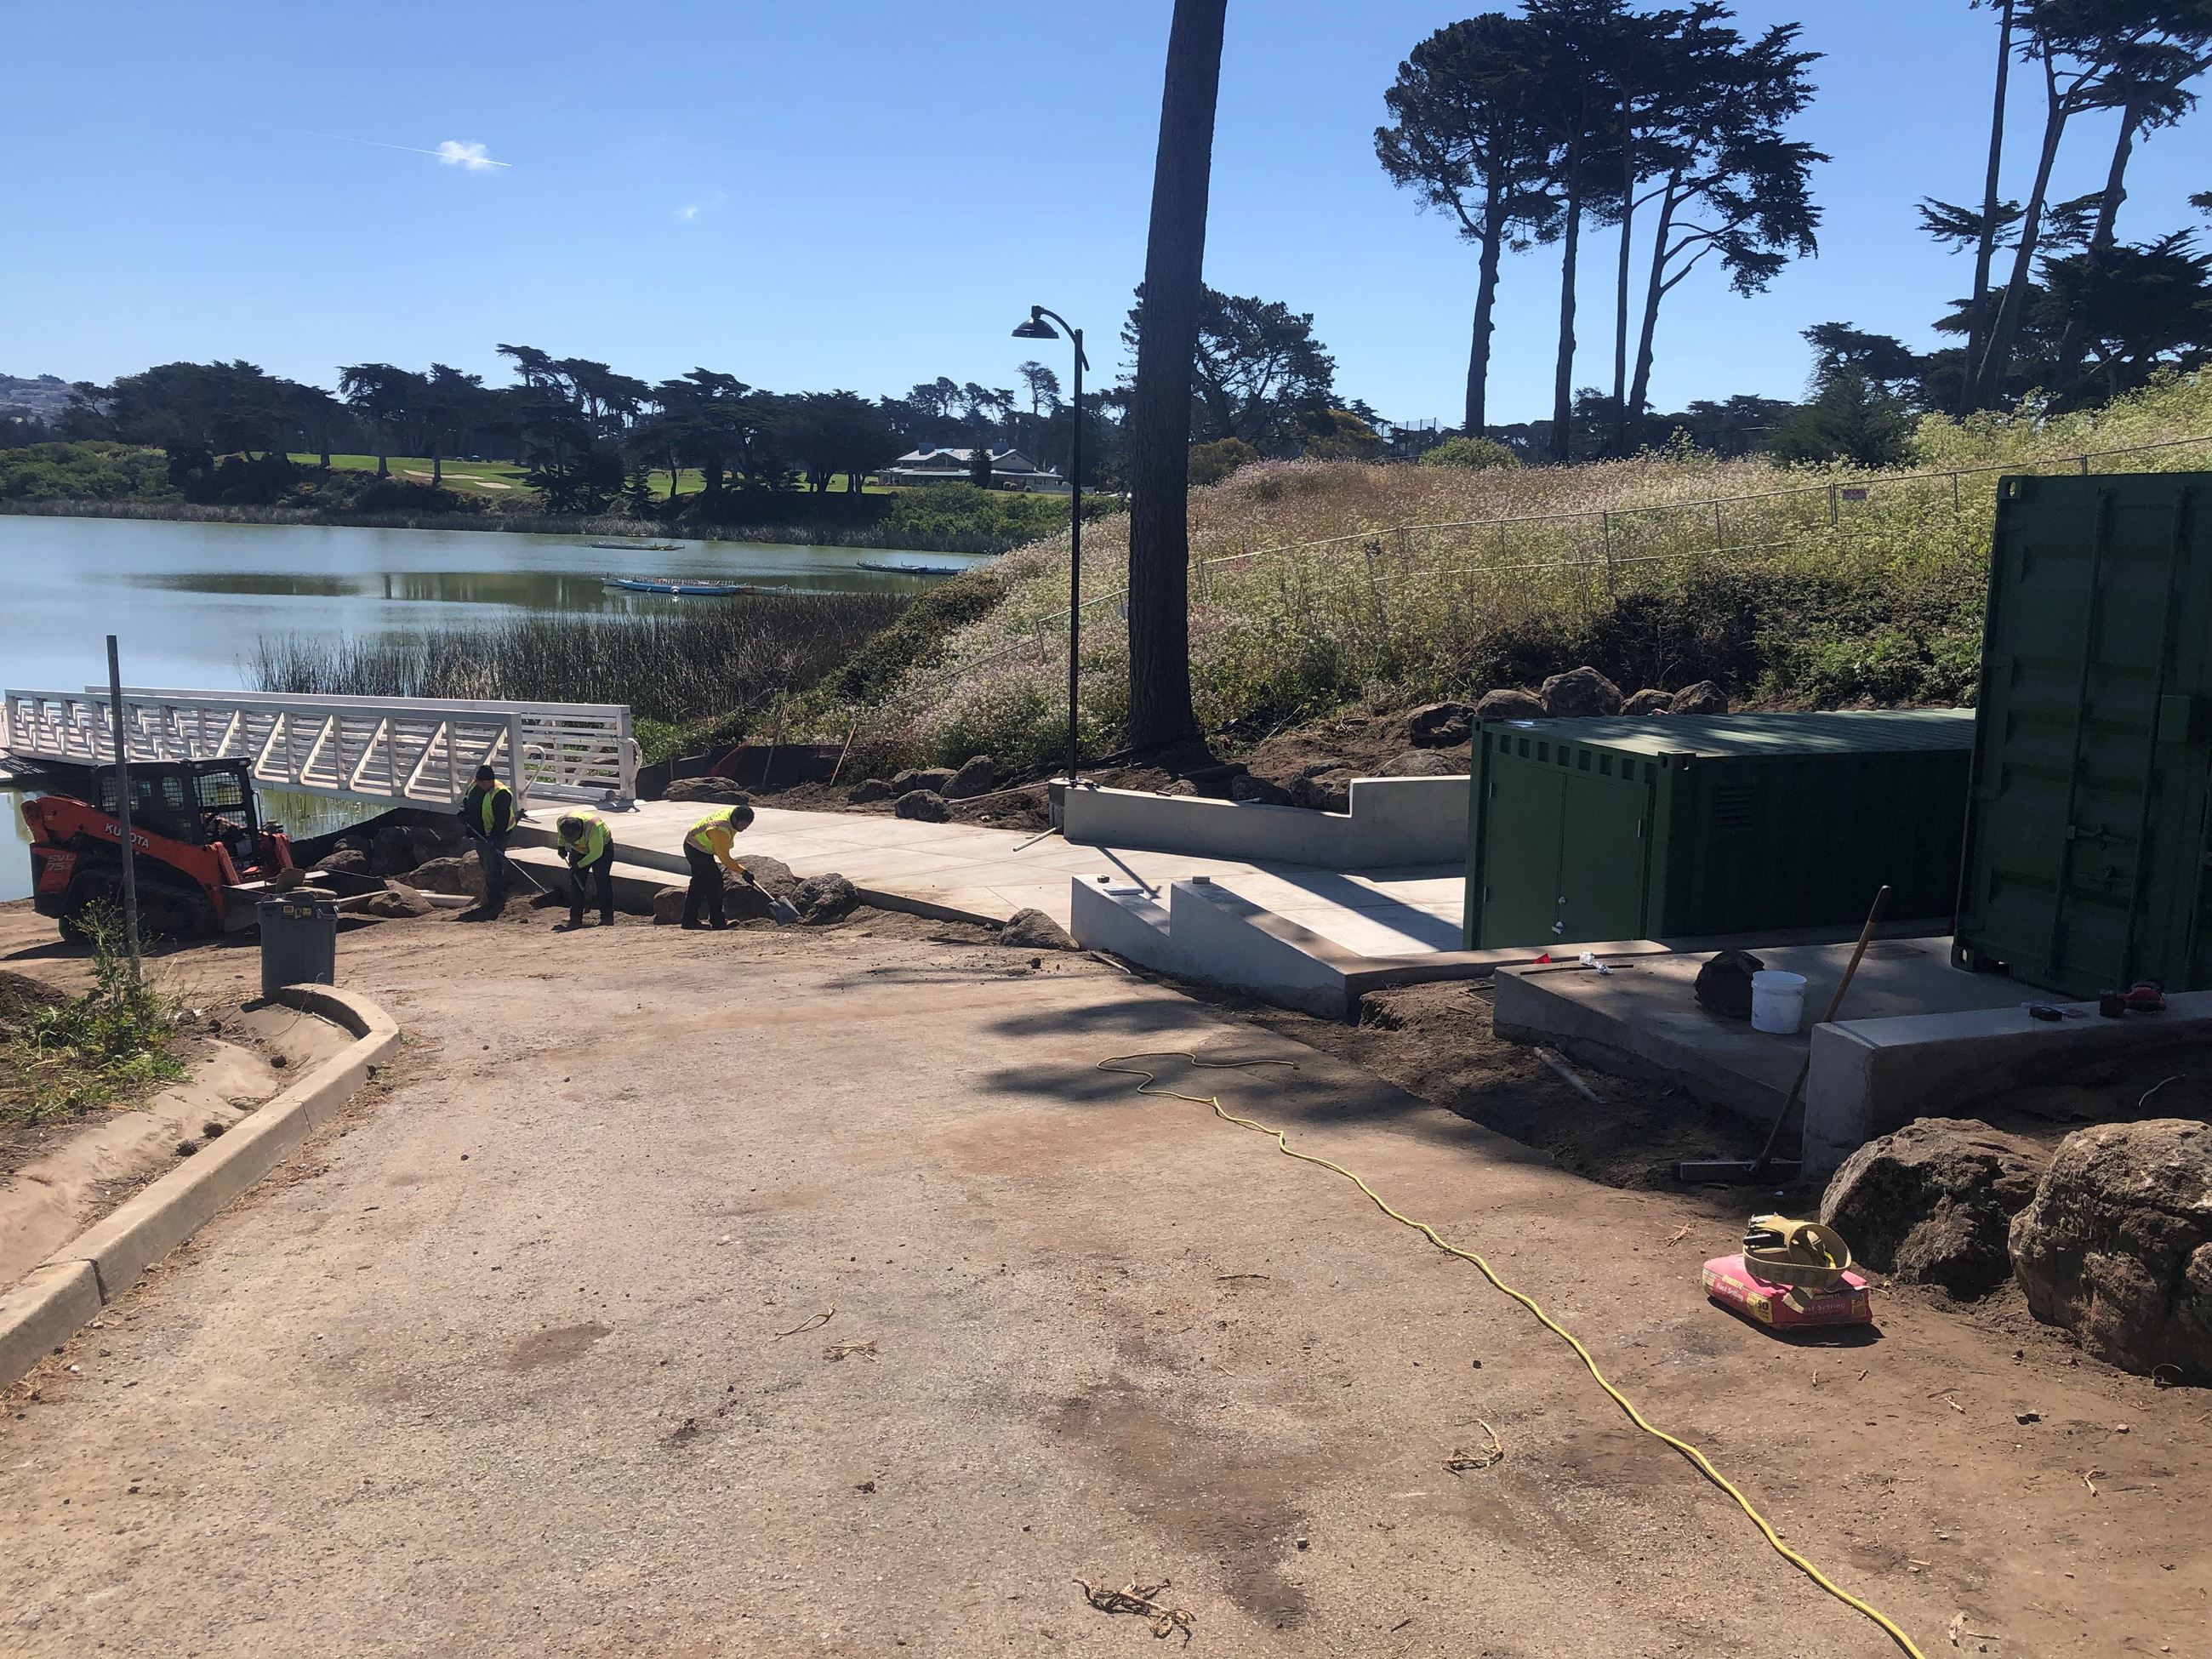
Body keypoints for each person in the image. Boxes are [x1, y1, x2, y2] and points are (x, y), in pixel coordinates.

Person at [682, 803, 755, 929]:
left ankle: (689, 920)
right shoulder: (720, 830)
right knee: (714, 882)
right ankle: (718, 921)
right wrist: (743, 872)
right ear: (736, 819)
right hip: (696, 849)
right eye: (743, 825)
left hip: (697, 845)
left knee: (698, 884)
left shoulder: (730, 815)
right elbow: (724, 858)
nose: (744, 829)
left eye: (747, 826)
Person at [459, 765, 517, 918]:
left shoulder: (501, 793)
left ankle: (496, 900)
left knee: (492, 863)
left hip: (499, 833)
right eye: (482, 782)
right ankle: (490, 895)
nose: (485, 785)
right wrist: (463, 815)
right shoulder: (474, 787)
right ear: (477, 780)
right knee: (484, 862)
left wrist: (494, 837)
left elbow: (502, 820)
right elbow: (466, 803)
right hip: (480, 833)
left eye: (488, 782)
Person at [556, 809, 615, 929]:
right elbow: (560, 836)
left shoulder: (594, 827)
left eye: (572, 839)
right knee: (576, 882)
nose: (570, 841)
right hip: (579, 850)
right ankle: (576, 917)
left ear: (580, 831)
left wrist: (578, 865)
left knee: (602, 880)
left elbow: (596, 854)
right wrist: (561, 846)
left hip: (602, 848)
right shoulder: (561, 821)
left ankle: (607, 917)